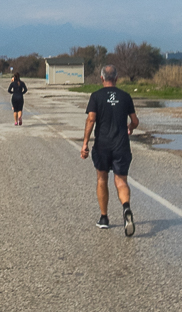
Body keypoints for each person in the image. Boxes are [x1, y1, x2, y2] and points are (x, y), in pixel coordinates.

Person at [81, 64, 139, 235]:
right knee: (121, 181)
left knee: (102, 179)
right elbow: (135, 121)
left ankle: (104, 217)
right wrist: (130, 127)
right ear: (116, 78)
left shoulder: (96, 96)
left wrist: (85, 143)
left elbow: (91, 120)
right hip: (121, 145)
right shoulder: (126, 96)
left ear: (101, 78)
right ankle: (126, 207)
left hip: (102, 145)